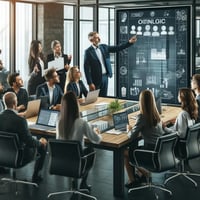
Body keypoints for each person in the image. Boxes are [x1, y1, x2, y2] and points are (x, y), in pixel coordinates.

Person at [56, 91, 102, 190]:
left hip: (60, 162)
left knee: (76, 151)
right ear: (76, 105)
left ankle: (76, 184)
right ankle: (83, 183)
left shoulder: (59, 122)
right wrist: (97, 132)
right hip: (78, 163)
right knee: (90, 150)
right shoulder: (81, 122)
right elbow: (96, 140)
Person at [0, 92, 47, 182]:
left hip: (2, 157)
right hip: (20, 158)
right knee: (42, 145)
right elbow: (30, 142)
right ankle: (36, 176)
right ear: (15, 104)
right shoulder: (20, 121)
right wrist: (40, 142)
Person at [125, 90, 166, 188]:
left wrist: (128, 129)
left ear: (141, 102)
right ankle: (140, 174)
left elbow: (131, 136)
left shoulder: (142, 117)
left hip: (150, 153)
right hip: (159, 151)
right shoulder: (157, 115)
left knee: (124, 152)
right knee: (133, 149)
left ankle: (135, 178)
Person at [84, 31, 137, 97]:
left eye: (98, 36)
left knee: (103, 98)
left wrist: (129, 42)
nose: (99, 39)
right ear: (91, 40)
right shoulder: (88, 52)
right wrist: (90, 83)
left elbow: (118, 48)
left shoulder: (104, 47)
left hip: (105, 77)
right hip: (95, 79)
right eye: (96, 37)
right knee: (93, 99)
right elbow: (86, 69)